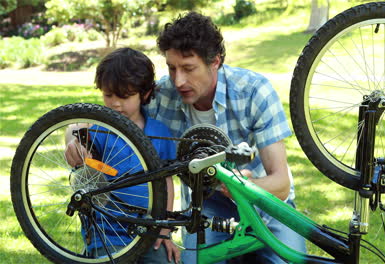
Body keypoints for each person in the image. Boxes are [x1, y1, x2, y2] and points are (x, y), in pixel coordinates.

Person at [146, 12, 307, 263]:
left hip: (266, 205)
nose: (178, 80)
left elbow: (281, 184)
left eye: (188, 68)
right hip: (207, 209)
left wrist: (241, 186)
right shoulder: (163, 94)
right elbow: (110, 115)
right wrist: (74, 134)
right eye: (171, 67)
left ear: (215, 62)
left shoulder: (254, 91)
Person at [65, 47, 181, 264]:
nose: (115, 103)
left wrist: (165, 227)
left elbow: (166, 182)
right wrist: (74, 145)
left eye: (124, 96)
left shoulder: (159, 133)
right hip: (106, 234)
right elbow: (80, 149)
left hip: (148, 230)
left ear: (145, 94)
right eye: (108, 95)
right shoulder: (99, 131)